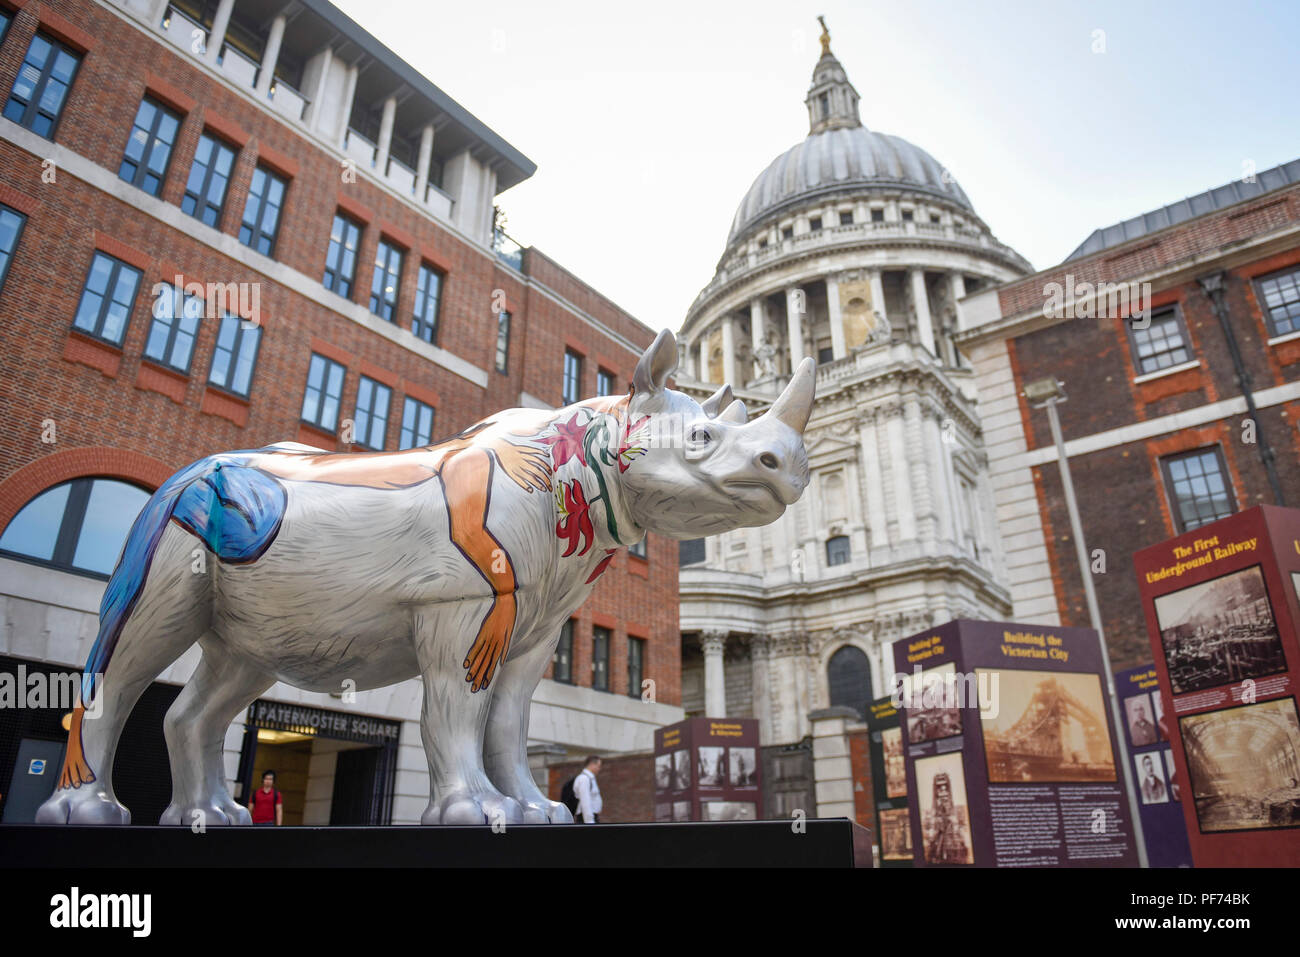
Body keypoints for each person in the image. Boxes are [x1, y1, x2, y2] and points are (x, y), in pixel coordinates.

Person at [573, 755, 603, 823]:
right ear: (592, 764)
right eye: (599, 766)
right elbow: (585, 801)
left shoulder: (589, 778)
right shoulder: (584, 779)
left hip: (590, 817)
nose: (599, 769)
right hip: (586, 818)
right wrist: (589, 822)